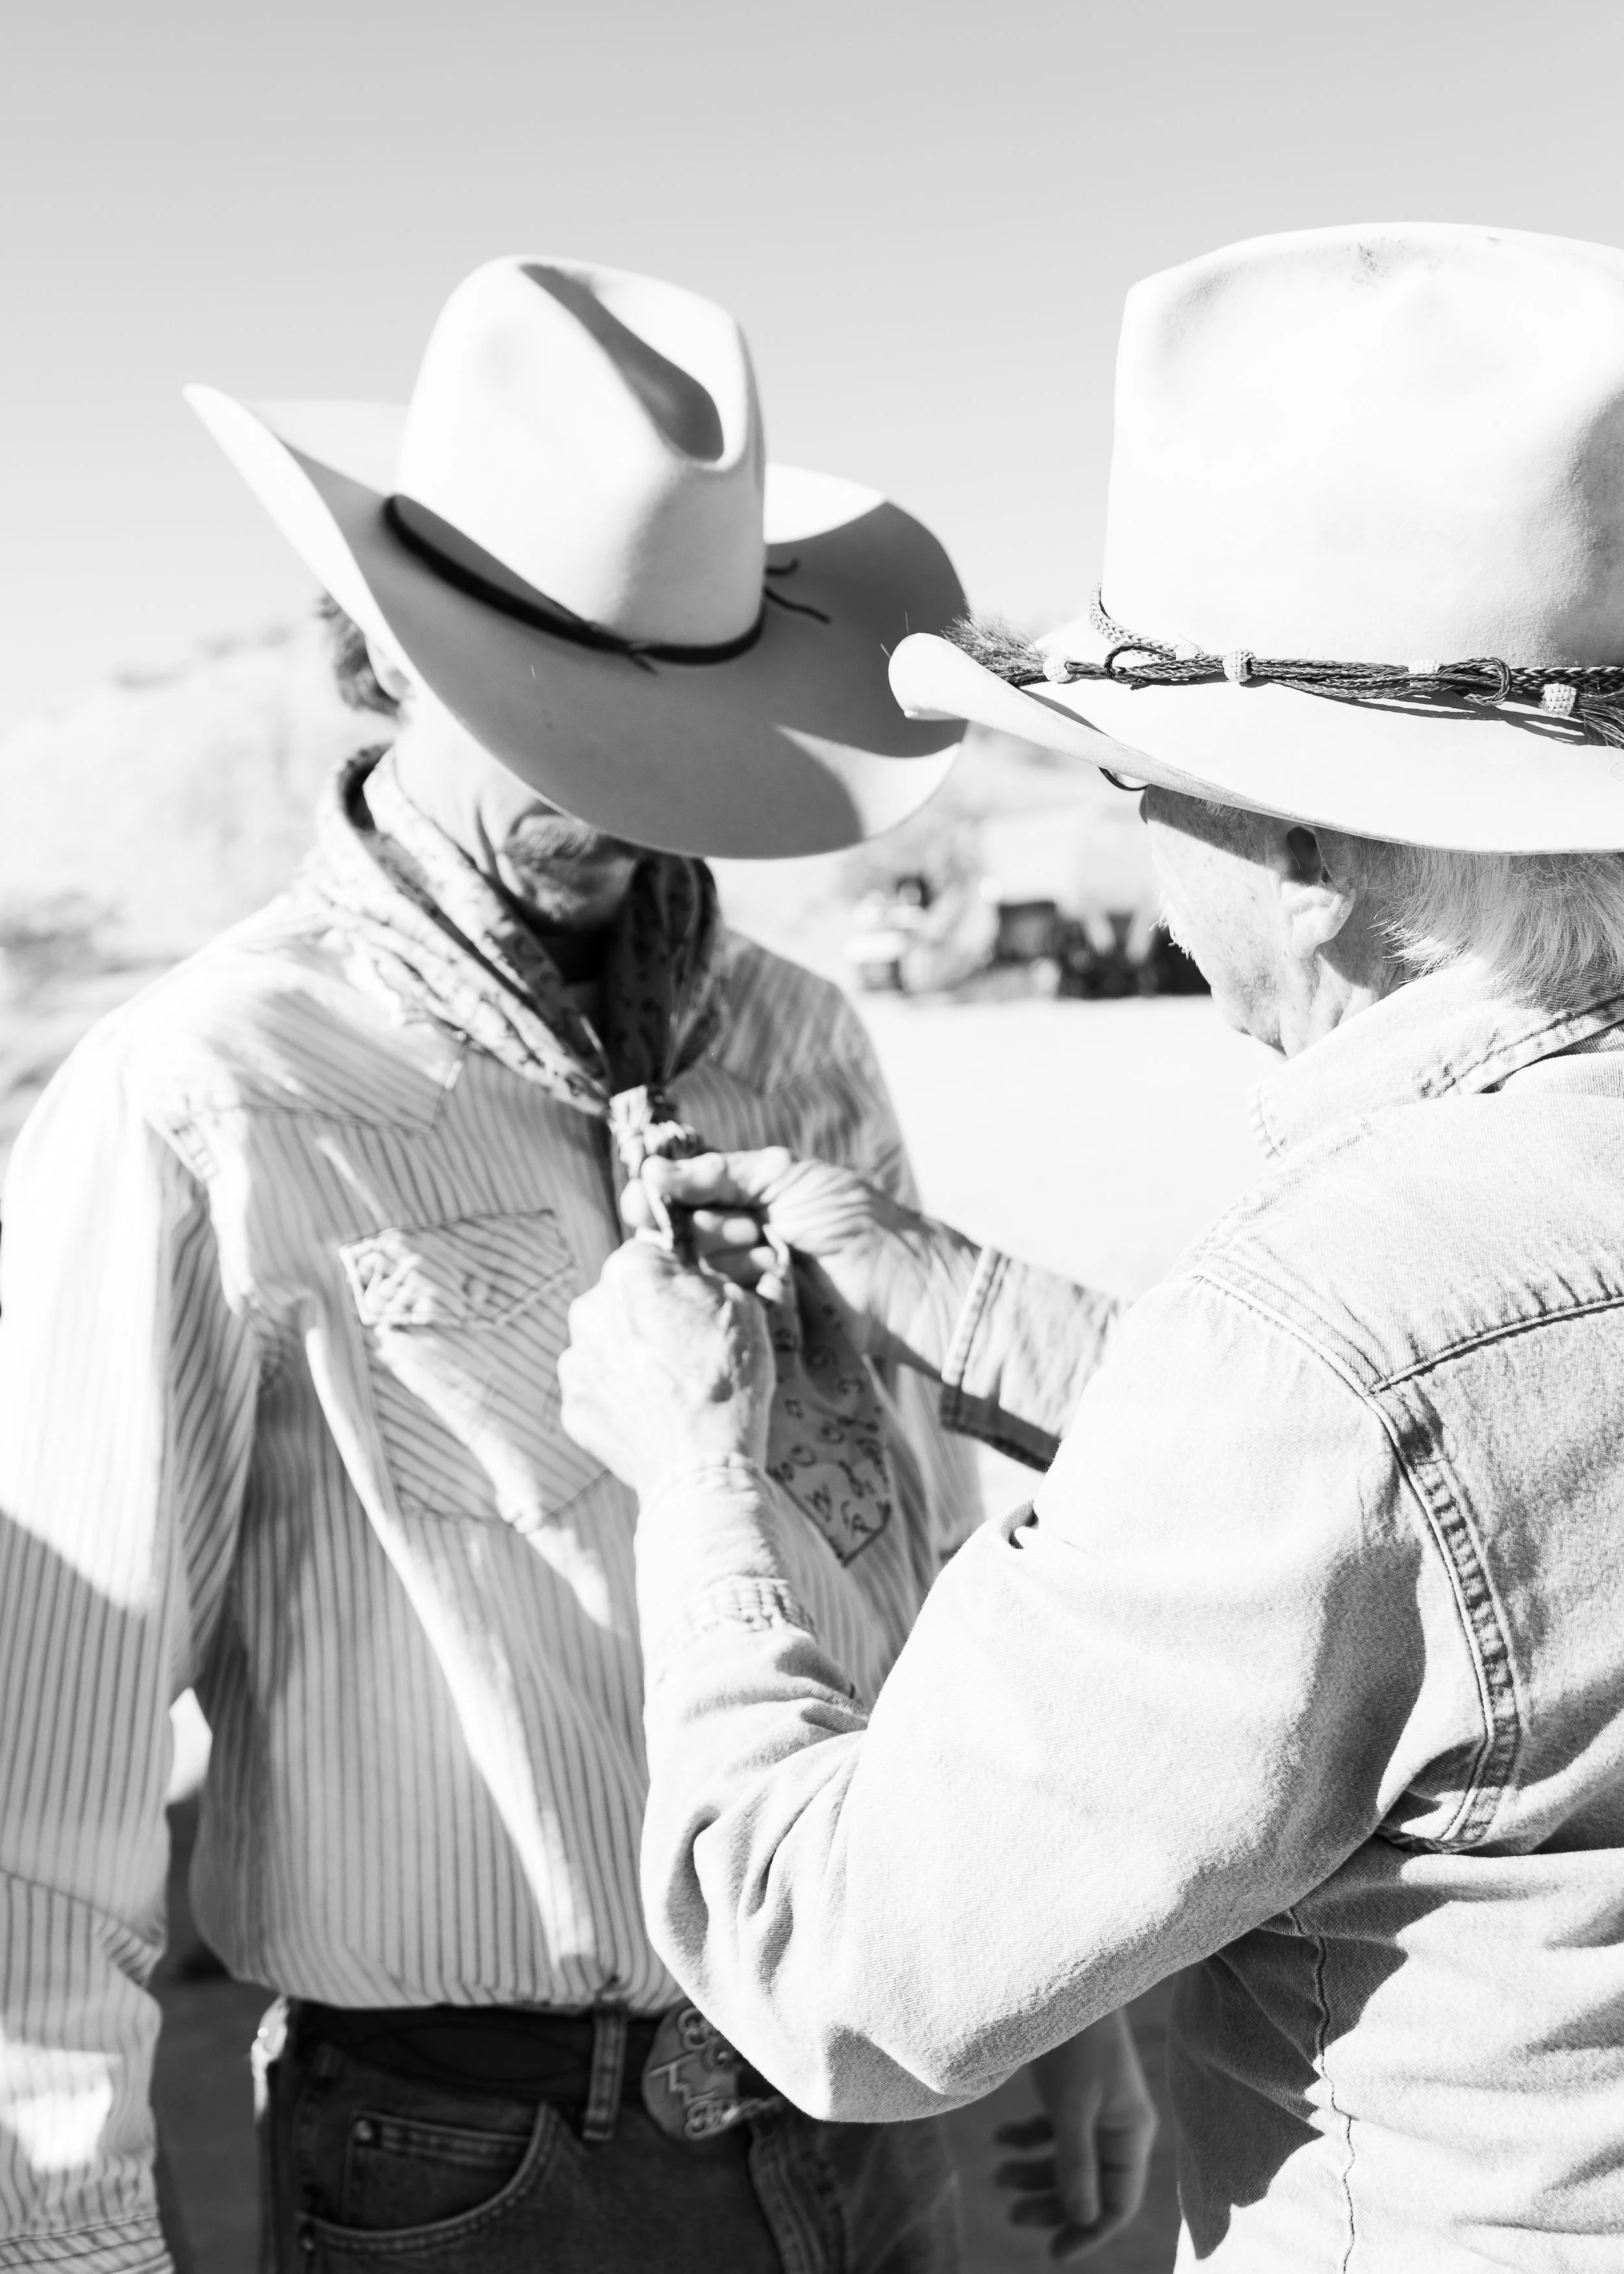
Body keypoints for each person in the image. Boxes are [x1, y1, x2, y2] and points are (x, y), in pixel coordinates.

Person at [0, 257, 1141, 2274]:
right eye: (547, 704)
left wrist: (1054, 2012)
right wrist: (70, 2234)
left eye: (656, 708)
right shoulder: (204, 1094)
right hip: (475, 2178)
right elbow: (46, 1787)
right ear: (374, 652)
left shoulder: (801, 1042)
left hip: (862, 2107)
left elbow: (941, 1571)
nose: (605, 779)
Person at [558, 222, 1624, 2271]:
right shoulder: (1410, 1317)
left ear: (1299, 858)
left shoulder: (1326, 1342)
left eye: (1135, 781)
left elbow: (849, 1959)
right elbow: (1455, 1502)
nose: (1128, 840)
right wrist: (942, 1291)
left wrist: (698, 1480)